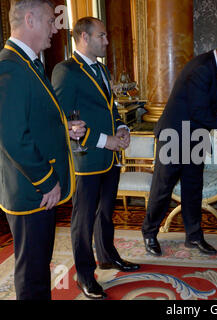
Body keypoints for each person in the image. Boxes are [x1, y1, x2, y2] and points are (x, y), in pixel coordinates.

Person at [0, 0, 86, 300]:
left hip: (39, 191)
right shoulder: (9, 67)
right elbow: (11, 135)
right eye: (51, 20)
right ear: (30, 20)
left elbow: (35, 121)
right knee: (33, 274)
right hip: (32, 190)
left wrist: (67, 129)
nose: (56, 27)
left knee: (39, 267)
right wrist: (46, 179)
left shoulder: (29, 64)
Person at [52, 17, 140, 300]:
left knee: (105, 213)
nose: (106, 41)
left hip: (109, 157)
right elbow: (65, 120)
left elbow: (110, 105)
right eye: (101, 36)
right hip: (87, 158)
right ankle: (85, 275)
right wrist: (106, 140)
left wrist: (123, 129)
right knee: (83, 220)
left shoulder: (102, 68)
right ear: (84, 37)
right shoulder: (66, 71)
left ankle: (107, 256)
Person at [142, 39, 217, 257]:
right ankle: (149, 233)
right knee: (163, 188)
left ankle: (194, 236)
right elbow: (199, 112)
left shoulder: (215, 68)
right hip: (175, 136)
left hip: (195, 137)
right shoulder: (202, 68)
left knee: (193, 188)